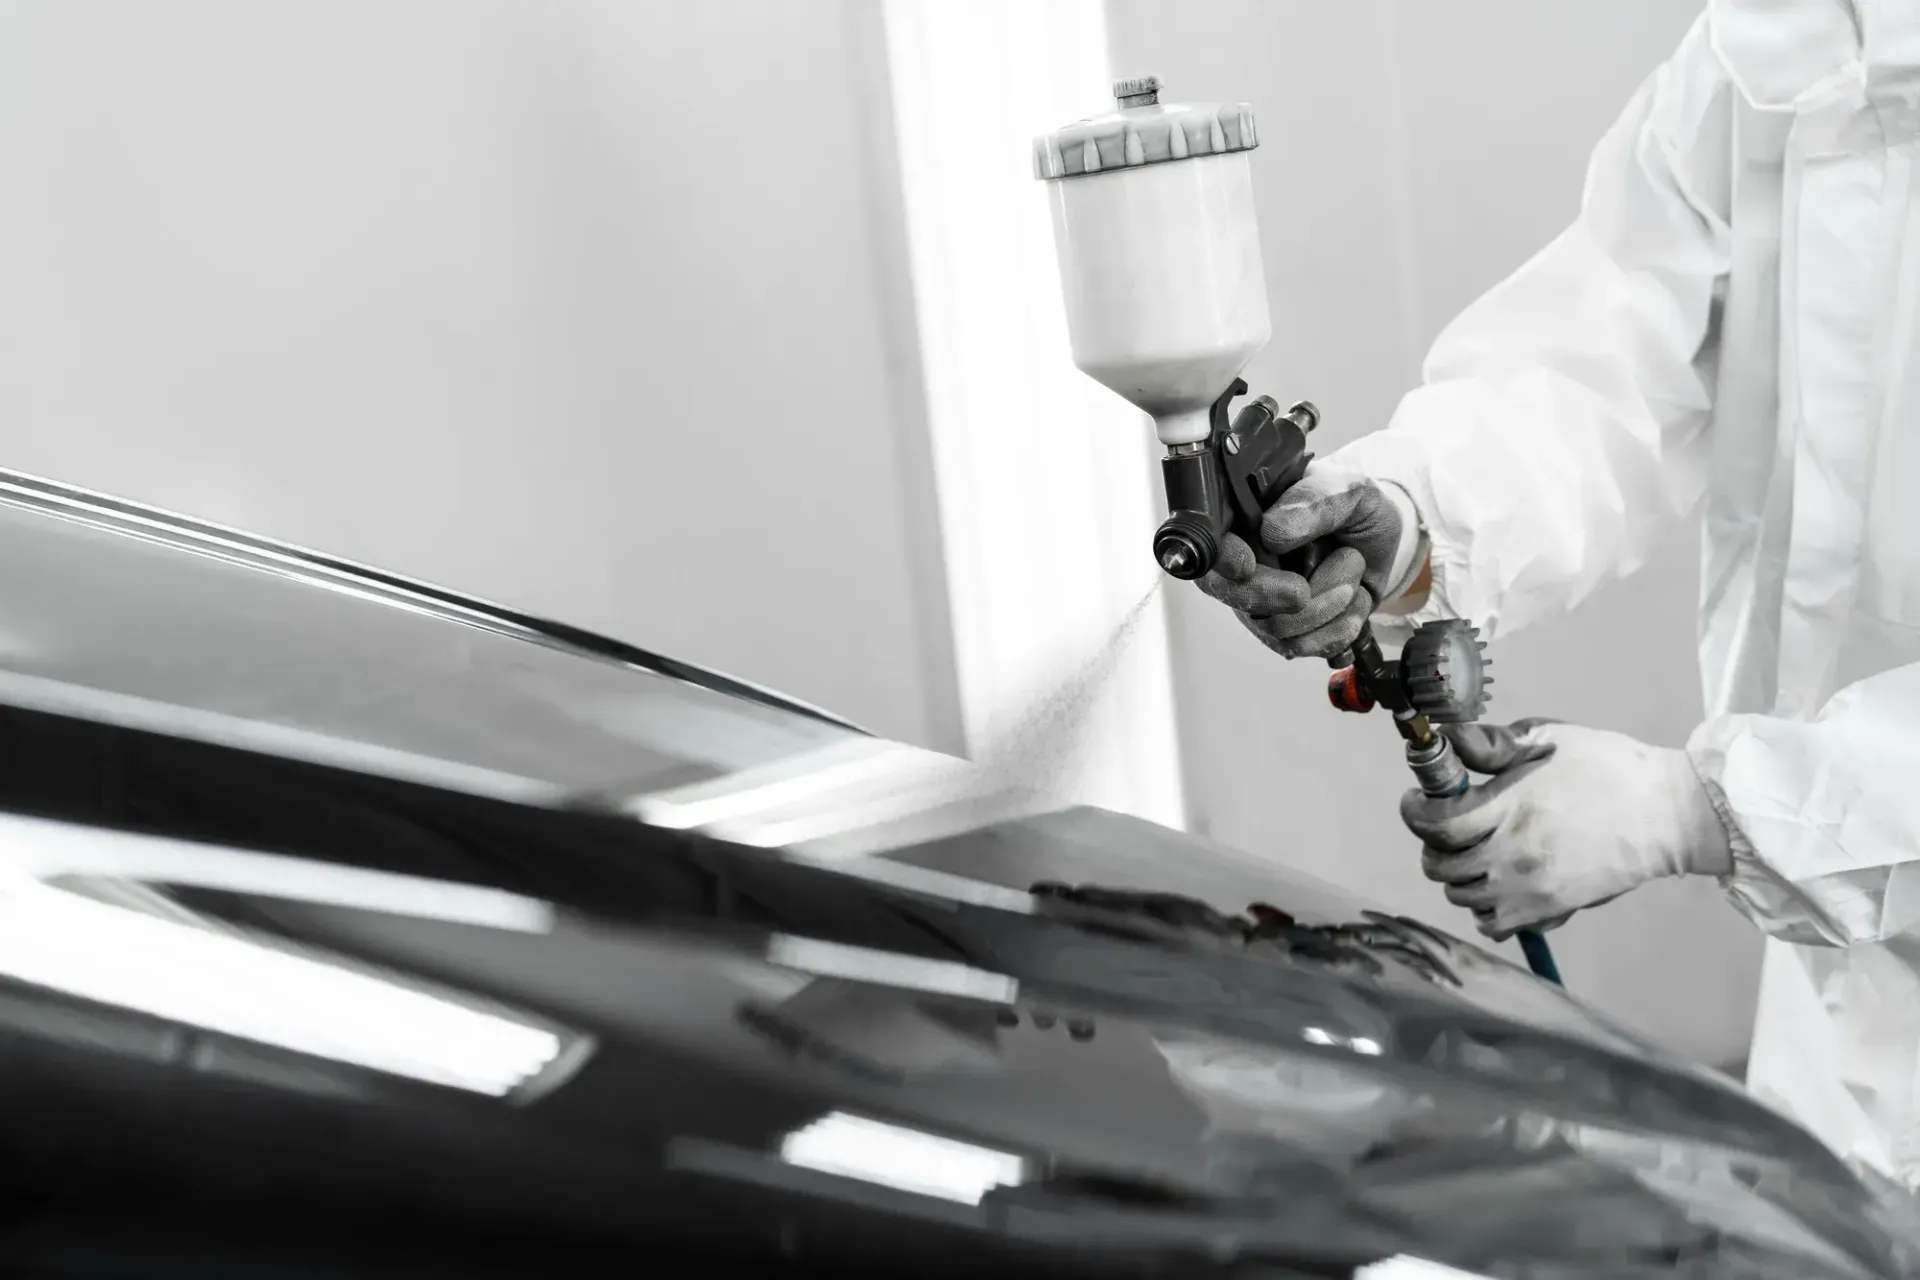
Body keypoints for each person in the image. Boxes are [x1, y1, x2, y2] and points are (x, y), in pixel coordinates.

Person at [1195, 2, 1920, 1185]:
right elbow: (1605, 364)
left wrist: (1703, 810)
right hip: (1839, 1053)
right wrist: (1412, 517)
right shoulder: (1782, 46)